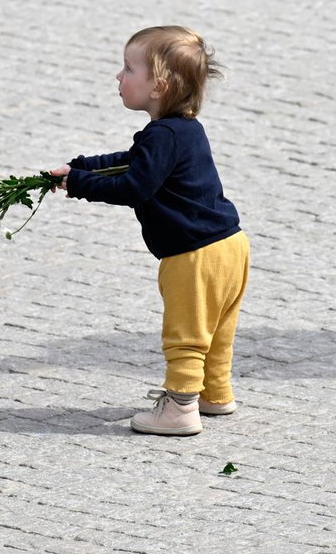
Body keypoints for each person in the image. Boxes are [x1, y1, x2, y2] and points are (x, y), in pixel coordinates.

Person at [50, 26, 249, 436]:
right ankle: (215, 394)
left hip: (193, 255)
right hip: (230, 245)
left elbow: (134, 185)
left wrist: (79, 185)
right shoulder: (184, 129)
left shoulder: (163, 135)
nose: (118, 77)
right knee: (217, 329)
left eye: (127, 69)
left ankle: (179, 408)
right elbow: (135, 161)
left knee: (187, 334)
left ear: (157, 86)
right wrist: (83, 166)